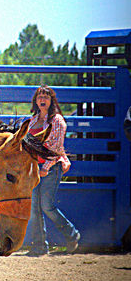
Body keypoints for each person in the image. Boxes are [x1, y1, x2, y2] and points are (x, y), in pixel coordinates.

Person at [26, 85, 80, 256]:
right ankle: (39, 246)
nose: (42, 99)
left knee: (47, 206)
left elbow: (55, 147)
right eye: (40, 96)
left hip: (51, 168)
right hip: (35, 169)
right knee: (34, 209)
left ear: (51, 101)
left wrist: (45, 168)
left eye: (46, 97)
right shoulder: (33, 120)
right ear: (35, 100)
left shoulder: (57, 121)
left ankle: (72, 235)